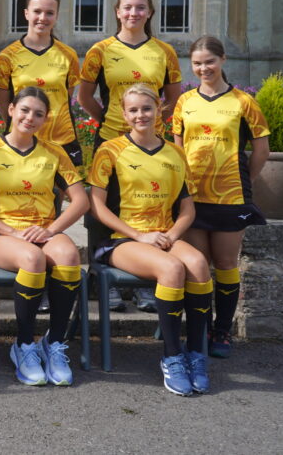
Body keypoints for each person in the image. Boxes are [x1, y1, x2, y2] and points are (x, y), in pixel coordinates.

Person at [88, 84, 212, 396]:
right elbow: (97, 206)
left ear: (159, 110)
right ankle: (171, 357)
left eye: (147, 108)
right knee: (172, 269)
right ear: (123, 113)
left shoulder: (174, 152)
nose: (140, 115)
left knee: (197, 263)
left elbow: (187, 208)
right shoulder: (110, 151)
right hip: (121, 240)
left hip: (163, 235)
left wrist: (171, 234)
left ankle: (196, 354)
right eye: (133, 110)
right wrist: (139, 235)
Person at [0, 87, 88, 387]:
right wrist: (13, 232)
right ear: (11, 110)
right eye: (25, 110)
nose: (30, 118)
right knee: (32, 258)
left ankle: (54, 343)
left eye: (38, 114)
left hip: (42, 229)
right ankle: (23, 345)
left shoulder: (54, 152)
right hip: (0, 235)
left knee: (69, 255)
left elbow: (81, 201)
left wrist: (51, 230)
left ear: (46, 119)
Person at [78, 0, 181, 313]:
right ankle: (102, 280)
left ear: (149, 13)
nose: (133, 13)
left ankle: (145, 284)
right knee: (102, 210)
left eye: (140, 8)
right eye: (127, 8)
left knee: (152, 204)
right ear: (117, 12)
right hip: (110, 140)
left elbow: (174, 97)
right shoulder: (100, 50)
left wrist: (149, 124)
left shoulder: (164, 51)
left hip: (153, 145)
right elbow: (84, 97)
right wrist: (113, 120)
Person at [173, 36, 270, 358]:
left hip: (231, 197)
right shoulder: (185, 101)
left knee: (226, 264)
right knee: (197, 266)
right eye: (198, 63)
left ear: (223, 60)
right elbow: (176, 150)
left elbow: (261, 149)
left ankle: (222, 331)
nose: (204, 68)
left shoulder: (244, 102)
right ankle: (198, 331)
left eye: (209, 61)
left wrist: (246, 181)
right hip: (192, 199)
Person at [0, 0, 82, 168]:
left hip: (61, 139)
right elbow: (5, 104)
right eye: (37, 11)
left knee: (65, 195)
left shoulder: (69, 55)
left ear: (56, 16)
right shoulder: (7, 57)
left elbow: (66, 97)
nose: (43, 17)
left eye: (49, 13)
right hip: (23, 140)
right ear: (26, 13)